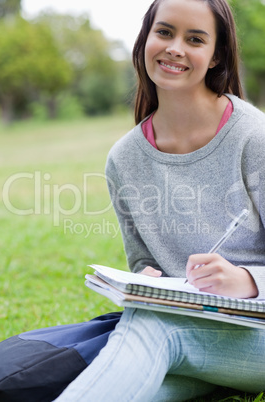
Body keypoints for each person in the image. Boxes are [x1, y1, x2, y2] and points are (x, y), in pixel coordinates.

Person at [55, 0, 265, 400]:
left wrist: (248, 282)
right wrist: (148, 279)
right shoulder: (124, 159)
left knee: (151, 325)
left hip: (257, 339)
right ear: (146, 39)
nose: (175, 48)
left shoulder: (255, 138)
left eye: (195, 39)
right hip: (184, 336)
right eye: (165, 32)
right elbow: (142, 263)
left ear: (216, 55)